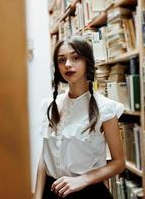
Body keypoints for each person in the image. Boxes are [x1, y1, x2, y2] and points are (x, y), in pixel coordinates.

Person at [33, 36, 125, 199]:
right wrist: (37, 195)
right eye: (62, 60)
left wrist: (82, 180)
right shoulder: (50, 104)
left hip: (88, 192)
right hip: (51, 191)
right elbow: (45, 158)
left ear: (87, 62)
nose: (67, 64)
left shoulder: (105, 108)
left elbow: (119, 164)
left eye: (75, 58)